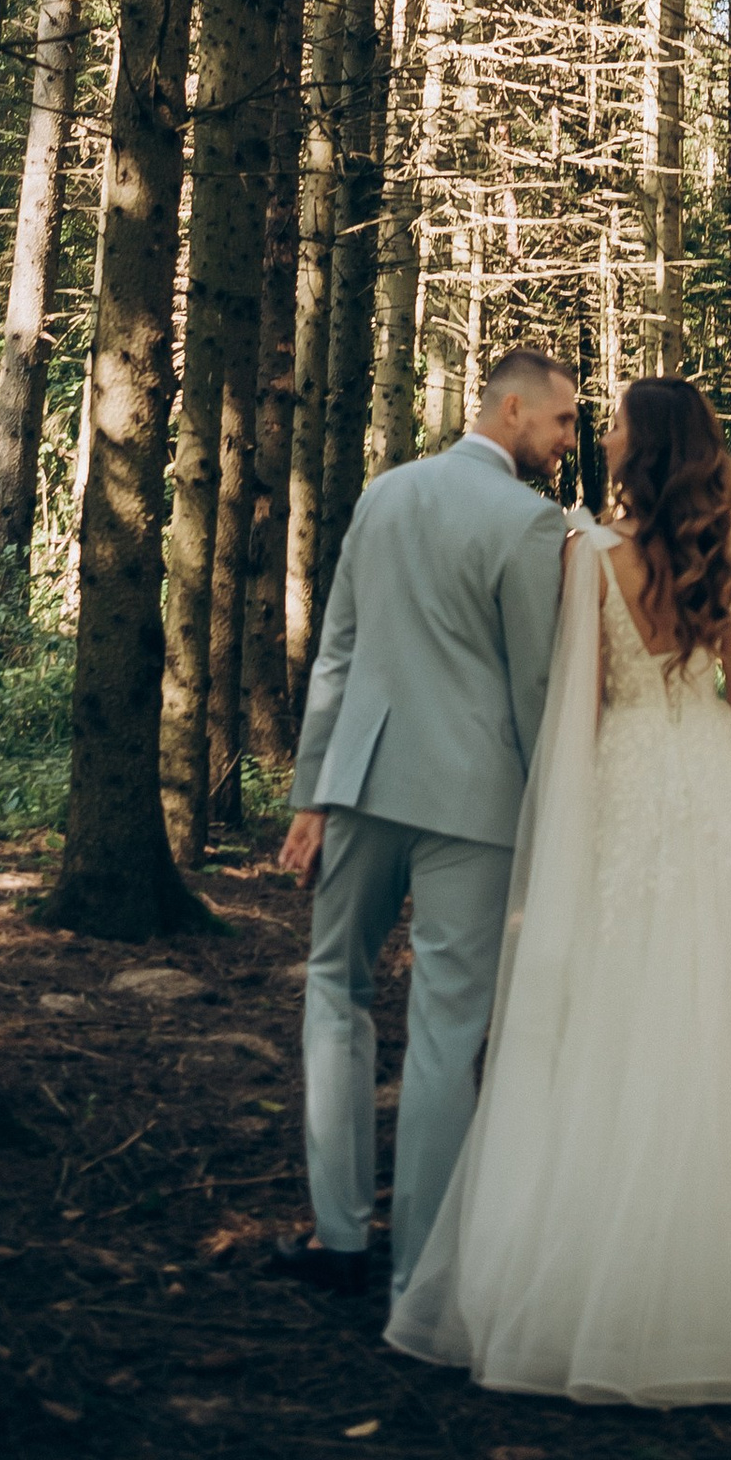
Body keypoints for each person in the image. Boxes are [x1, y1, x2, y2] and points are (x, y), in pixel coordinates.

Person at [387, 377, 731, 1404]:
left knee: (618, 999)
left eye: (615, 425)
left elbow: (580, 704)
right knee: (724, 999)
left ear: (641, 450)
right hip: (715, 781)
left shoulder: (588, 555)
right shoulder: (730, 560)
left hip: (629, 781)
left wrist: (562, 818)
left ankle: (604, 1272)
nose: (600, 433)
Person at [278, 345, 579, 1301]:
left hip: (363, 782)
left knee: (335, 988)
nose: (568, 439)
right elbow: (536, 681)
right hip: (475, 799)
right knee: (449, 1025)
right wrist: (553, 804)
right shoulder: (530, 522)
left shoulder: (385, 494)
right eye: (563, 420)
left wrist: (313, 793)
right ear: (512, 409)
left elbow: (337, 652)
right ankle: (421, 1270)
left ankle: (338, 1238)